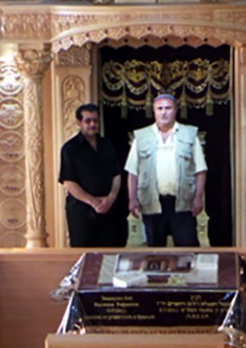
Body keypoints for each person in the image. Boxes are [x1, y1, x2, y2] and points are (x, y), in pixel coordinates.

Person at [125, 93, 207, 247]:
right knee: (155, 253)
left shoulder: (189, 134)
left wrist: (198, 197)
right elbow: (132, 172)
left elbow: (200, 170)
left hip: (182, 203)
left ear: (175, 110)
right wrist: (132, 199)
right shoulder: (141, 136)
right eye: (160, 108)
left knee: (188, 251)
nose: (164, 112)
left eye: (168, 108)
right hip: (152, 203)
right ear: (154, 111)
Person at [58, 103, 123, 247]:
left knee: (108, 254)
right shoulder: (69, 149)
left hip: (108, 209)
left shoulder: (108, 145)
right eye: (88, 121)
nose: (92, 124)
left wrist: (110, 198)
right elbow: (69, 182)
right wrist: (93, 202)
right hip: (82, 213)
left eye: (95, 120)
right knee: (83, 255)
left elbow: (116, 175)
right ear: (79, 122)